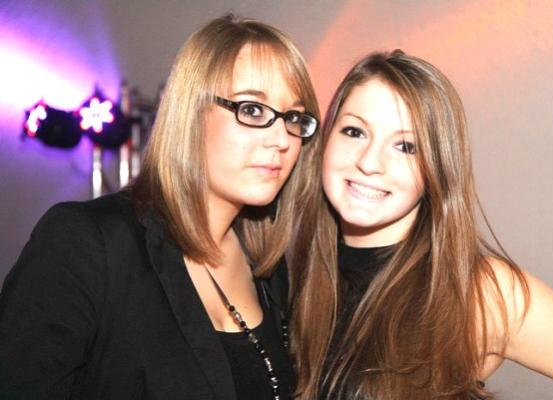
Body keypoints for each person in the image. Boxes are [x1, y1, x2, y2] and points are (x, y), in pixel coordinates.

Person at [0, 15, 321, 399]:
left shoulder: (268, 269)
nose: (282, 139)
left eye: (293, 117)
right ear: (191, 112)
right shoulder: (87, 243)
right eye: (253, 109)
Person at [289, 49, 553, 399]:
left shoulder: (480, 292)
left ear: (437, 167)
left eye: (406, 146)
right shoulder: (286, 278)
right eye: (354, 131)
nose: (370, 162)